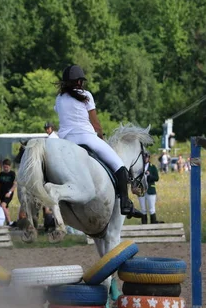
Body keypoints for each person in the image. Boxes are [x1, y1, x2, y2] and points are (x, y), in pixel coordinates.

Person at [54, 64, 142, 218]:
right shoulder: (86, 95)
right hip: (86, 137)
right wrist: (101, 137)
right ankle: (125, 203)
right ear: (80, 82)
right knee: (119, 165)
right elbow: (96, 125)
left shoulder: (59, 98)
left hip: (65, 141)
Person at [136, 152, 161, 224]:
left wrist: (150, 175)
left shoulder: (152, 167)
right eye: (144, 157)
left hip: (150, 189)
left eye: (146, 157)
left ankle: (153, 223)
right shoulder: (139, 167)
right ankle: (144, 224)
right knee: (143, 209)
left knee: (151, 209)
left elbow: (156, 178)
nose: (145, 158)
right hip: (141, 190)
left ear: (148, 158)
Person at [0, 158, 16, 226]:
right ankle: (7, 222)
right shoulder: (1, 174)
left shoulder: (12, 174)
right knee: (5, 208)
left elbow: (15, 184)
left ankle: (10, 221)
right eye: (4, 167)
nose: (5, 168)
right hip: (1, 193)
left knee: (3, 206)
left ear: (9, 166)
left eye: (7, 167)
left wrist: (10, 192)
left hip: (8, 193)